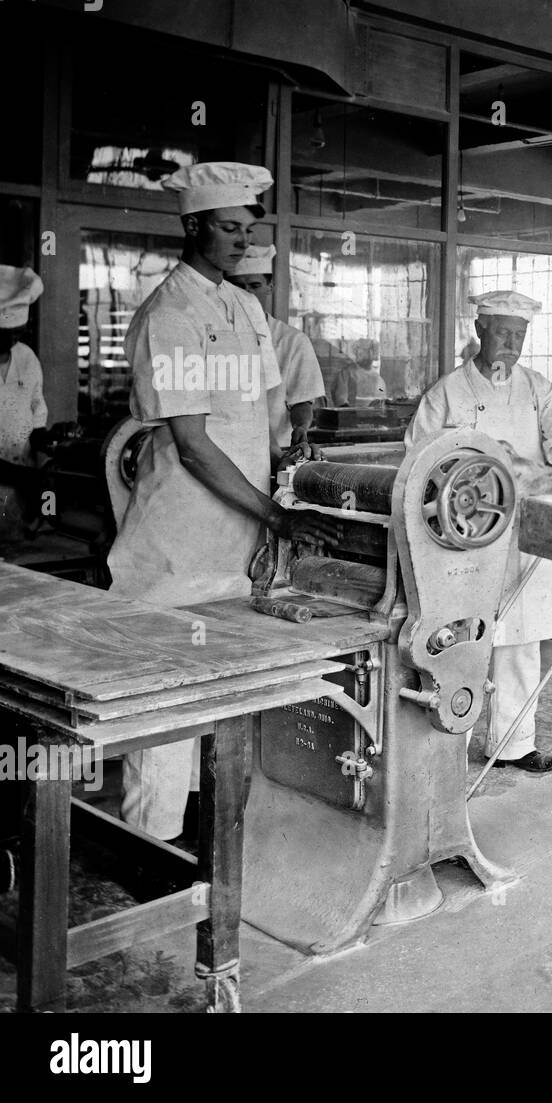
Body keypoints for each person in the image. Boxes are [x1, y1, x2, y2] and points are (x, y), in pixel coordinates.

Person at [106, 162, 338, 841]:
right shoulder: (168, 315)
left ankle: (209, 841)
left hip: (236, 541)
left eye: (247, 229)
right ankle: (151, 848)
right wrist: (273, 512)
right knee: (169, 704)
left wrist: (292, 459)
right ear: (193, 226)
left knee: (222, 693)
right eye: (228, 228)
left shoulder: (246, 309)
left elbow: (269, 413)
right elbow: (194, 446)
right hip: (178, 543)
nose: (240, 241)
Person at [405, 290, 552, 773]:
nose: (512, 346)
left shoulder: (536, 387)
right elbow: (417, 460)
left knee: (522, 635)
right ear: (480, 331)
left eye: (520, 336)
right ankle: (445, 740)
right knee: (459, 633)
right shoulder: (448, 392)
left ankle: (513, 744)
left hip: (523, 526)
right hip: (462, 534)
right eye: (503, 334)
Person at [225, 244, 326, 467]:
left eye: (255, 285)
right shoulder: (216, 338)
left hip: (275, 453)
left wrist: (300, 427)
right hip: (225, 452)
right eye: (238, 286)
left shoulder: (292, 341)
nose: (246, 294)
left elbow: (302, 399)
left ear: (270, 286)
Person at [0, 266, 47, 534]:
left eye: (19, 333)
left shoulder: (26, 357)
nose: (15, 340)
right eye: (7, 334)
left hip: (20, 484)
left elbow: (36, 407)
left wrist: (44, 445)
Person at [330, 338, 386, 406]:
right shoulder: (347, 373)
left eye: (362, 351)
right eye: (357, 351)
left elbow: (381, 398)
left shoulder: (378, 378)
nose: (358, 354)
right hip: (351, 414)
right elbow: (341, 398)